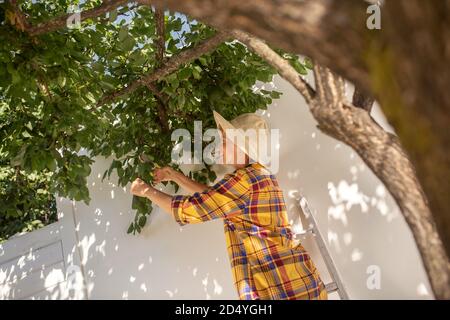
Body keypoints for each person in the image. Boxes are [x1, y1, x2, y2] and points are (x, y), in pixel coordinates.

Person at [130, 111, 328, 300]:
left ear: (243, 147)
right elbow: (215, 199)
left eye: (224, 142)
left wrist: (145, 191)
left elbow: (191, 210)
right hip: (298, 281)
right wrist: (174, 176)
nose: (218, 148)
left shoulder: (244, 181)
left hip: (282, 287)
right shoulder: (258, 174)